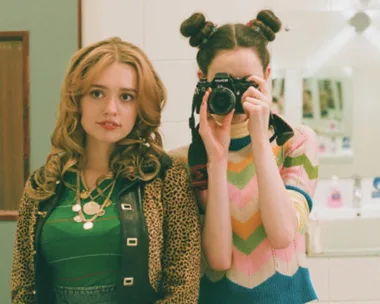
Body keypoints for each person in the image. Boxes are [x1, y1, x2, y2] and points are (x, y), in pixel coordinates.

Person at [11, 37, 201, 304]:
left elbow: (183, 289)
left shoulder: (166, 178)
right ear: (77, 100)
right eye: (97, 93)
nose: (111, 109)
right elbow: (22, 286)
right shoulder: (43, 183)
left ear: (140, 106)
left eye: (126, 97)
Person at [170, 10, 319, 304]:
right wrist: (217, 159)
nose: (236, 96)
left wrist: (261, 141)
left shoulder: (296, 142)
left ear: (266, 76)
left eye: (247, 83)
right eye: (224, 83)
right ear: (202, 80)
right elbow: (219, 259)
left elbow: (282, 234)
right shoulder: (189, 158)